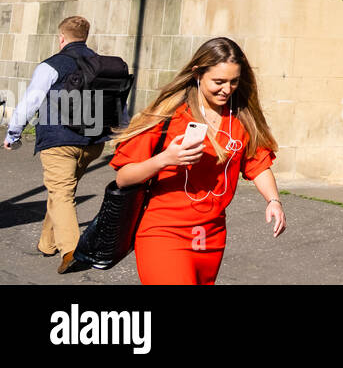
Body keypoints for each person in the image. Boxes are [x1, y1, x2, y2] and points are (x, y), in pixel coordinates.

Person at [110, 37, 286, 284]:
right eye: (219, 82)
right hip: (164, 233)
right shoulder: (169, 115)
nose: (227, 89)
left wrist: (273, 201)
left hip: (211, 238)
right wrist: (164, 159)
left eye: (234, 81)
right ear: (197, 74)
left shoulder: (241, 118)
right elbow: (123, 177)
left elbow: (258, 165)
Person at [3, 16, 129, 274]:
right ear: (86, 36)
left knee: (61, 193)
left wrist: (13, 134)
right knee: (63, 190)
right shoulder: (103, 65)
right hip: (93, 143)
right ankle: (47, 244)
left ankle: (72, 251)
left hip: (58, 142)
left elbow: (30, 102)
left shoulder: (52, 65)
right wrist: (124, 132)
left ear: (61, 38)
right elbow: (119, 102)